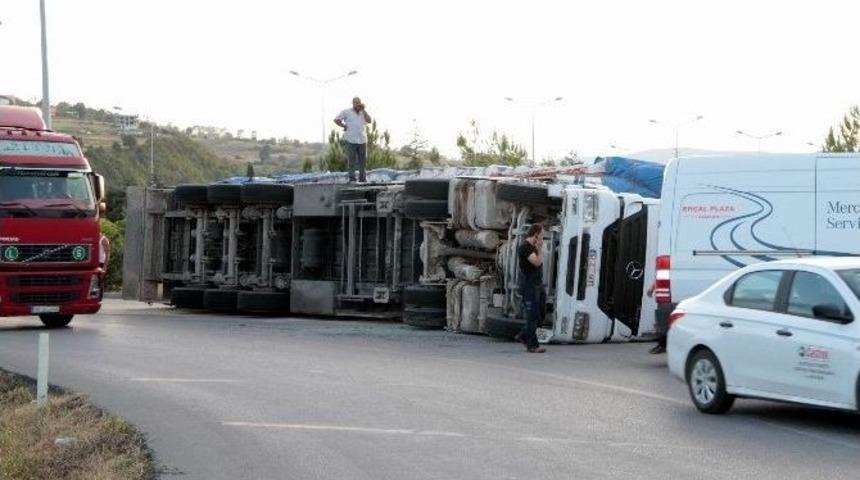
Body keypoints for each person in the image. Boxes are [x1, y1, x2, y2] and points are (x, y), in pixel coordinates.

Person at [516, 222, 547, 353]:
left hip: (538, 285)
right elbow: (537, 262)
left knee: (540, 314)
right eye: (542, 235)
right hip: (530, 285)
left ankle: (523, 335)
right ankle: (532, 345)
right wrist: (540, 248)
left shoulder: (533, 247)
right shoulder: (525, 247)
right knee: (532, 316)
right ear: (536, 234)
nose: (542, 238)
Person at [334, 97, 372, 182]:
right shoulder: (346, 112)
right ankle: (352, 178)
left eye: (359, 102)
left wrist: (364, 110)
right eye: (356, 103)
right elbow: (336, 119)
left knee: (363, 161)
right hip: (351, 139)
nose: (357, 104)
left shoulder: (363, 112)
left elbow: (369, 121)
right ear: (353, 103)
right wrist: (344, 126)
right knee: (351, 160)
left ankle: (362, 178)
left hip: (362, 140)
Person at [646, 281, 667, 354]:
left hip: (666, 294)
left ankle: (663, 344)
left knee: (663, 321)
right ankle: (662, 344)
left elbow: (661, 277)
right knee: (661, 320)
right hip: (664, 294)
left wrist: (652, 288)